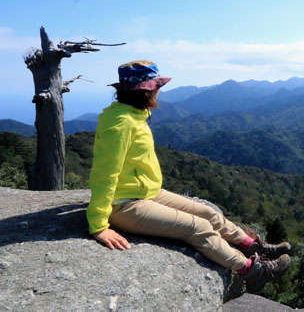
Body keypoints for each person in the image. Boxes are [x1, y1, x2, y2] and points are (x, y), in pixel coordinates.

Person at [86, 60, 291, 292]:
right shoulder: (121, 124)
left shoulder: (132, 114)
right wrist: (99, 225)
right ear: (146, 91)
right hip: (124, 205)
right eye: (157, 87)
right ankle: (253, 272)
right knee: (198, 227)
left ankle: (254, 246)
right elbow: (105, 174)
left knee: (208, 212)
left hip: (144, 192)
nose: (159, 92)